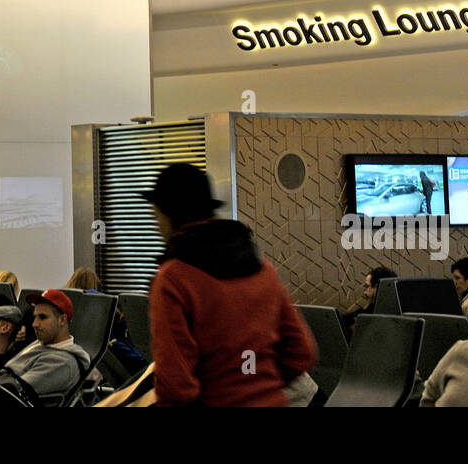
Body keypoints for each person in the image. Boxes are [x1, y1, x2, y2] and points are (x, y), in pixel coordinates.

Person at [143, 163, 315, 407]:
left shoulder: (173, 279)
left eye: (155, 214)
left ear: (167, 214)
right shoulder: (261, 267)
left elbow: (176, 385)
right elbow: (302, 351)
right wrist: (258, 383)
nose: (156, 224)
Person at [342, 265, 397, 338]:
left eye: (368, 287)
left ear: (378, 287)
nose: (365, 292)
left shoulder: (391, 318)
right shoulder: (372, 307)